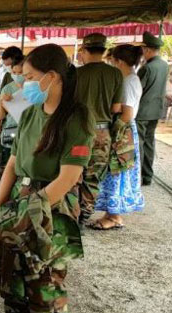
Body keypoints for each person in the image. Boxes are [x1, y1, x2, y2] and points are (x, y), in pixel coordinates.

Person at [0, 44, 94, 313]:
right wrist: (1, 205)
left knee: (45, 274)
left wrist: (32, 211)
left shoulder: (77, 117)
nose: (23, 82)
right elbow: (13, 160)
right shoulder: (30, 111)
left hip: (51, 202)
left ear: (52, 76)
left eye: (29, 77)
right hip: (20, 194)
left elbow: (69, 176)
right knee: (11, 269)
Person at [92, 45, 146, 230]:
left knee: (117, 170)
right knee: (115, 171)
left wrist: (114, 132)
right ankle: (111, 213)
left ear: (119, 61)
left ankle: (114, 215)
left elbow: (126, 113)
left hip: (124, 130)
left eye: (112, 61)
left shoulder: (129, 81)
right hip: (125, 128)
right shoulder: (128, 78)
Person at [75, 33, 124, 224]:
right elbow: (116, 108)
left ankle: (70, 214)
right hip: (102, 133)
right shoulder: (115, 74)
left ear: (85, 50)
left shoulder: (76, 74)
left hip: (78, 132)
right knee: (93, 177)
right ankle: (84, 216)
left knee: (74, 172)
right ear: (103, 51)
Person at [136, 31, 169, 186]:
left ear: (148, 50)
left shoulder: (146, 68)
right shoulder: (164, 65)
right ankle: (148, 176)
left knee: (140, 143)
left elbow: (138, 90)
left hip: (142, 112)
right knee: (150, 143)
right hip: (156, 111)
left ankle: (138, 176)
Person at [0, 53, 26, 178]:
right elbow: (1, 115)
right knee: (8, 167)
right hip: (11, 129)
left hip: (27, 131)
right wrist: (3, 102)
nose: (17, 76)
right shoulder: (8, 89)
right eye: (14, 73)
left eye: (20, 73)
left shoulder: (34, 88)